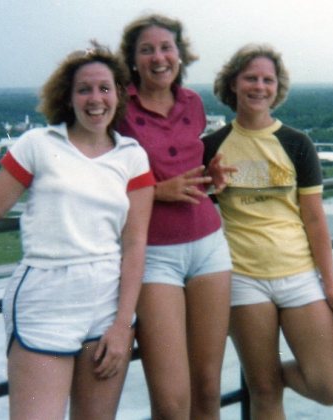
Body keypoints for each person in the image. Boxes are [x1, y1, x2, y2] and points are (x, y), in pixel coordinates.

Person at [0, 43, 155, 420]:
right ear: (69, 96)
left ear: (119, 95)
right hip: (45, 296)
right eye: (85, 89)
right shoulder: (38, 145)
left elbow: (135, 242)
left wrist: (122, 324)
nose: (96, 99)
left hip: (106, 301)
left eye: (105, 88)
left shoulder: (132, 156)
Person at [202, 43, 333, 420]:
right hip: (242, 279)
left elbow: (315, 219)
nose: (259, 86)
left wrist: (330, 284)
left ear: (277, 87)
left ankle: (267, 378)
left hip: (299, 275)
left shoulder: (296, 143)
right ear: (233, 84)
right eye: (250, 78)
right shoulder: (211, 147)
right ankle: (264, 381)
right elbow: (195, 206)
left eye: (268, 79)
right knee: (264, 392)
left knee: (332, 387)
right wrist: (207, 187)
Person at [117, 14, 233, 420]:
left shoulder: (193, 103)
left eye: (166, 48)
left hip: (209, 248)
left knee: (207, 388)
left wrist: (210, 175)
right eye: (146, 50)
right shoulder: (117, 108)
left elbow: (188, 160)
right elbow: (96, 176)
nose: (158, 57)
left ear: (180, 56)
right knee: (170, 403)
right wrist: (156, 191)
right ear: (133, 60)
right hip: (153, 256)